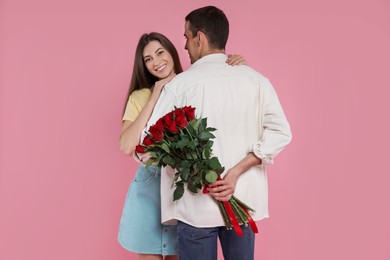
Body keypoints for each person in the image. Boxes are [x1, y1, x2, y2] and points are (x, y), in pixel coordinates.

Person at [144, 6, 292, 260]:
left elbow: (151, 140)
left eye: (186, 38)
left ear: (199, 38)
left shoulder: (179, 85)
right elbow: (281, 132)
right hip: (242, 200)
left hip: (195, 206)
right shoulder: (255, 79)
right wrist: (235, 172)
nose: (185, 46)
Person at [117, 32, 247, 260]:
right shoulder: (139, 97)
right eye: (148, 59)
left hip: (186, 184)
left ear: (172, 52)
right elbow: (127, 146)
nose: (156, 62)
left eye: (160, 53)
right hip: (149, 190)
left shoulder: (193, 83)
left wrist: (235, 67)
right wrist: (155, 93)